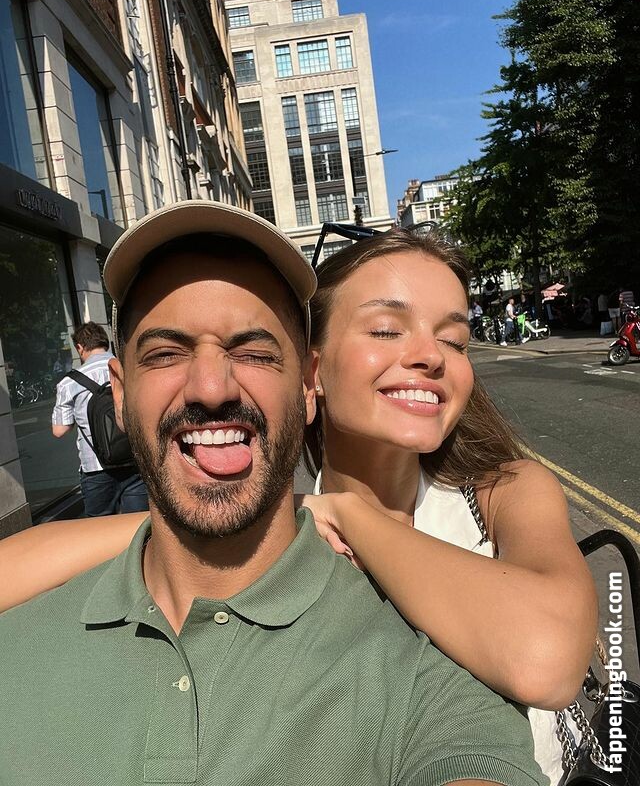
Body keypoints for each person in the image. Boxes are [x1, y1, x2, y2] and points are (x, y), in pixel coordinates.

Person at [0, 203, 547, 786]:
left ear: (308, 384)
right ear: (120, 392)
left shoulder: (426, 661)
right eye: (165, 353)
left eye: (255, 353)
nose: (211, 387)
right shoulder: (25, 633)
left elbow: (513, 697)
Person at [51, 321, 148, 516]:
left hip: (96, 468)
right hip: (134, 460)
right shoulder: (129, 368)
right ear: (105, 342)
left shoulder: (69, 383)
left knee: (99, 525)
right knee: (136, 523)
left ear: (80, 347)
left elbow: (59, 430)